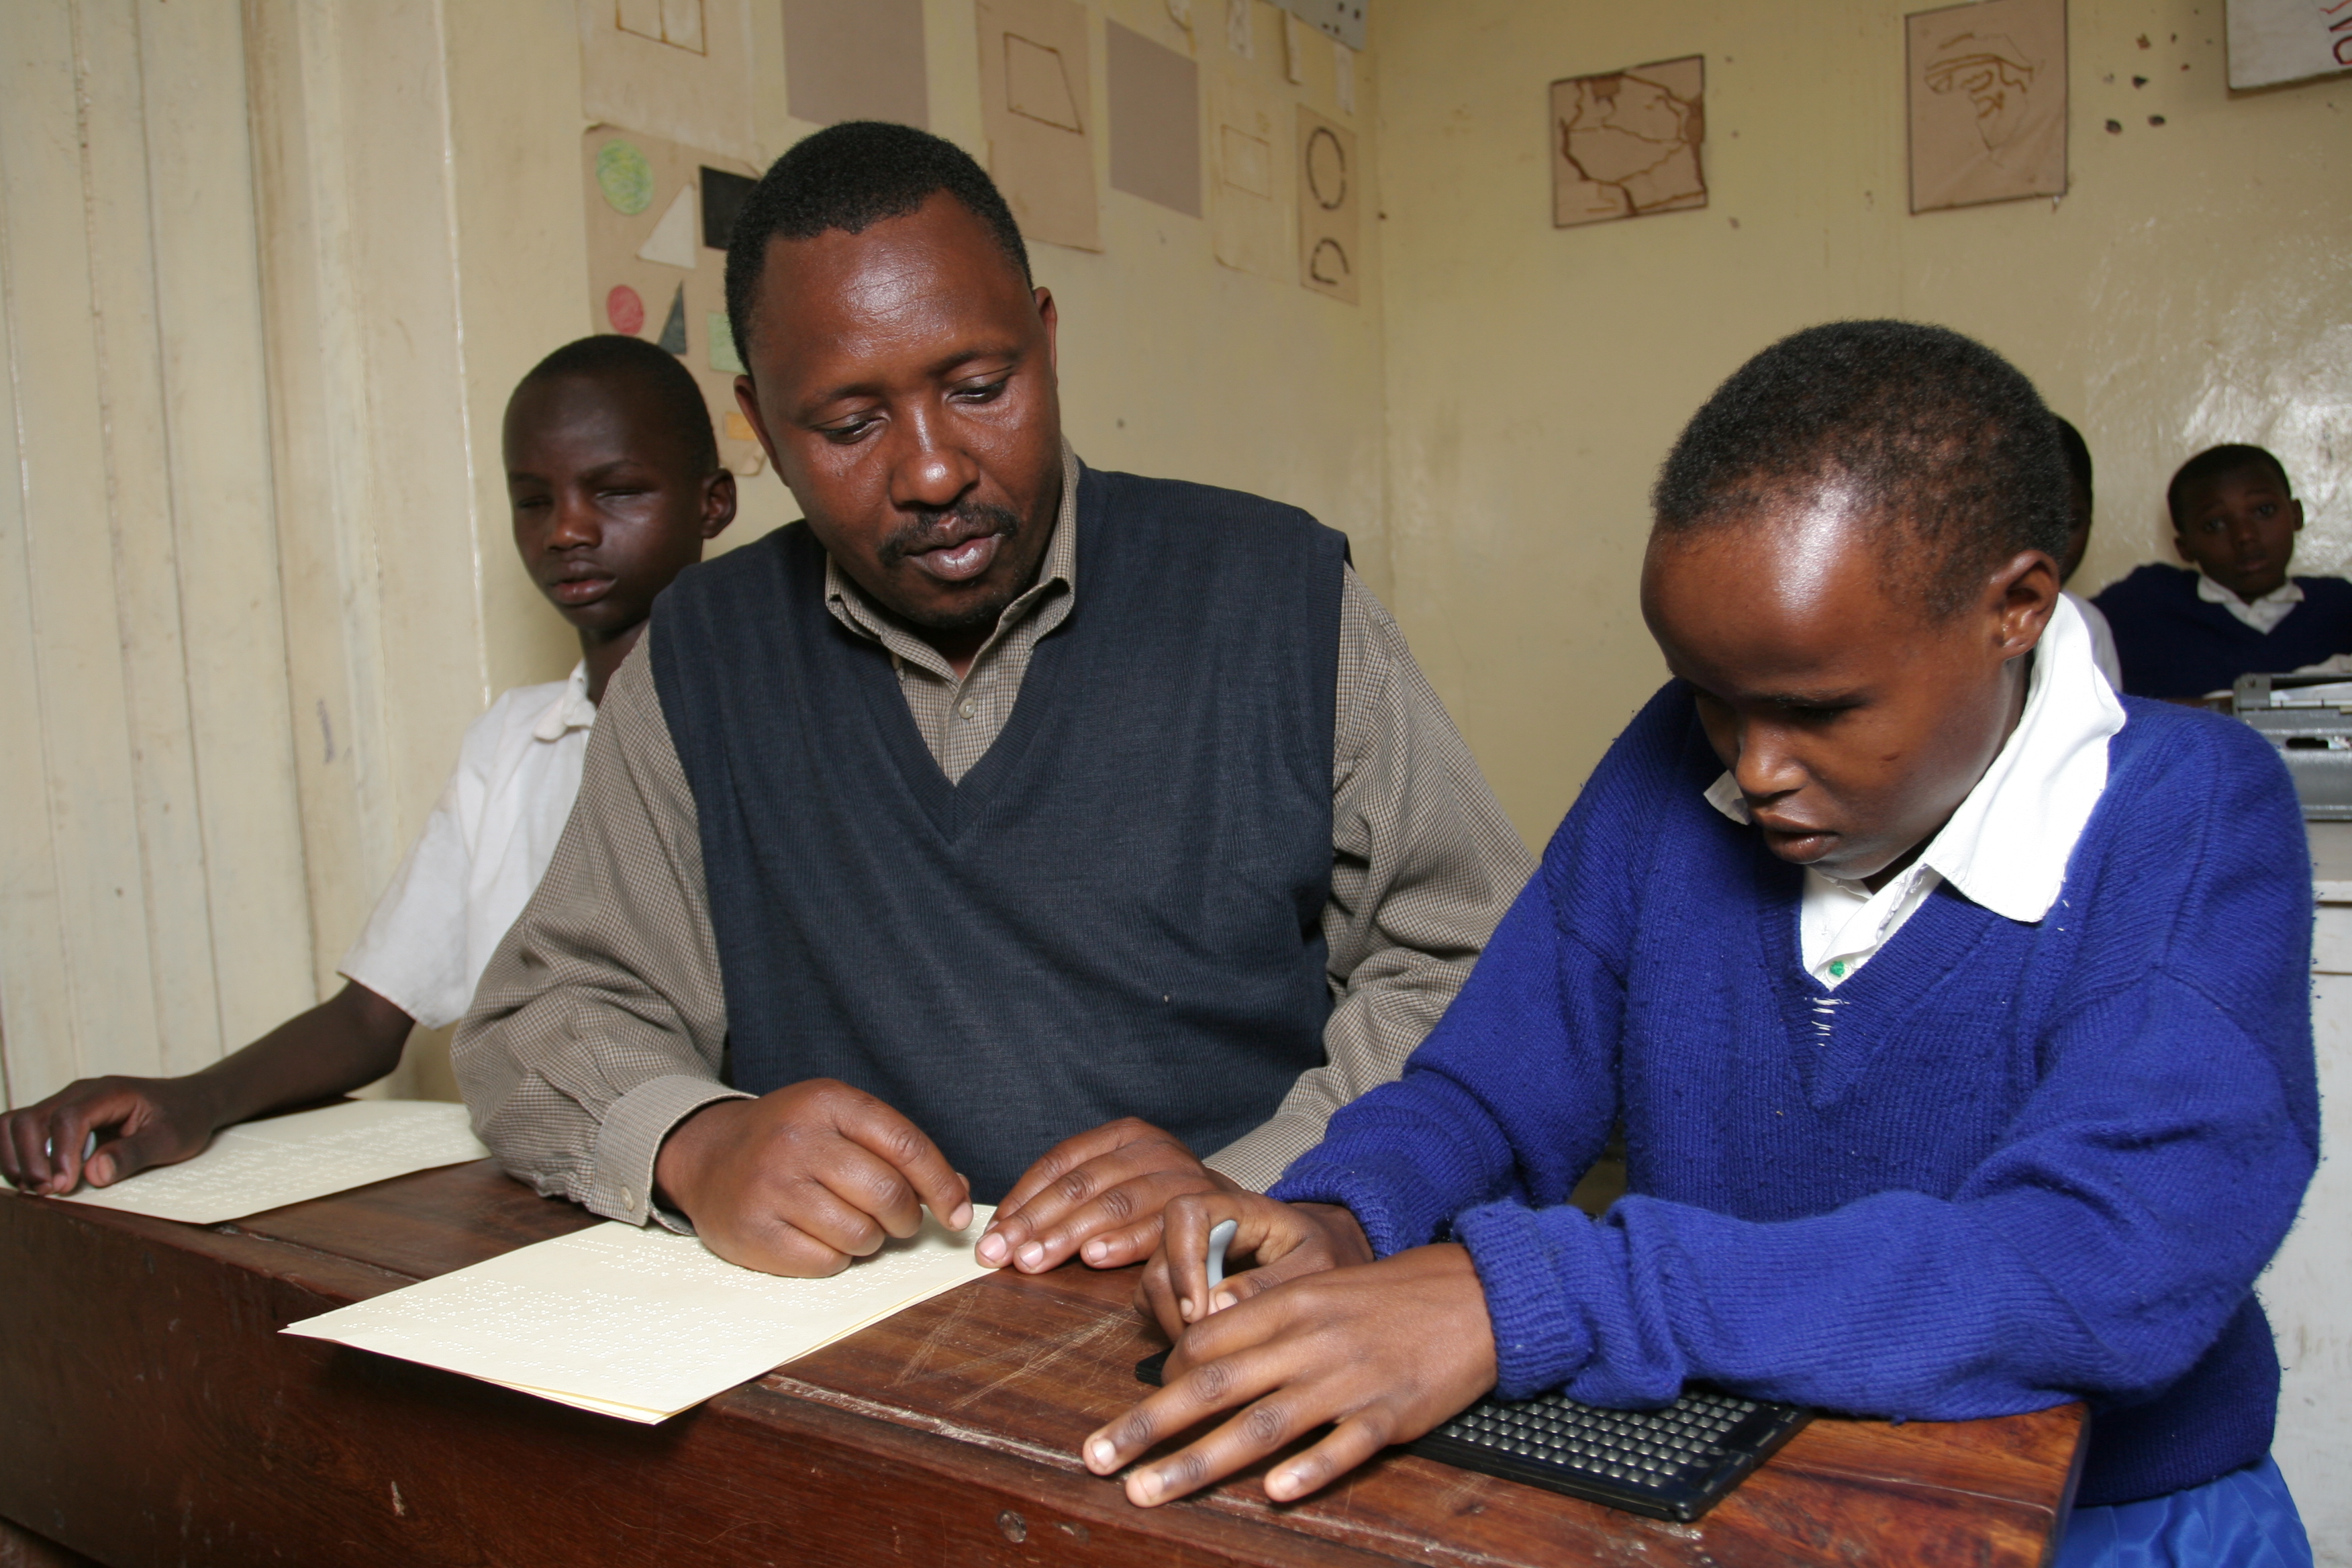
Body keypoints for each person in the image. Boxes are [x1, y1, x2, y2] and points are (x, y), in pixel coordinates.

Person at [1084, 323, 2317, 1567]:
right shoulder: (1679, 760)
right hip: (1743, 1491)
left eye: (1814, 709)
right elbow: (1489, 1089)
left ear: (2013, 608)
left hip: (2106, 1523)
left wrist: (1529, 1297)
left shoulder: (2191, 816)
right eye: (1709, 695)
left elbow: (2092, 1260)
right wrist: (1352, 1214)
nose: (1751, 765)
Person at [452, 121, 1529, 1283]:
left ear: (1046, 340)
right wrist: (693, 1143)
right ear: (758, 426)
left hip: (1231, 1307)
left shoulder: (1279, 599)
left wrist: (1260, 1184)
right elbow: (546, 1013)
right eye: (850, 424)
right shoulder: (700, 658)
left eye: (977, 386)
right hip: (838, 1347)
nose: (930, 469)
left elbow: (1485, 969)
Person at [0, 336, 736, 1197]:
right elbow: (370, 1015)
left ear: (713, 503)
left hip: (712, 1180)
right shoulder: (511, 741)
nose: (567, 528)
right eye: (532, 500)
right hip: (543, 1179)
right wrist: (191, 1099)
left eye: (615, 491)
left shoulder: (763, 724)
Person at [2093, 444, 2352, 700]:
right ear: (2185, 547)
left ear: (2296, 515)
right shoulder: (2142, 606)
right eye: (2214, 525)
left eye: (2264, 511)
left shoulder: (2338, 607)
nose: (2245, 535)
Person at [2052, 416, 2122, 689]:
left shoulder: (2087, 623)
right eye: (2026, 522)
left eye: (2070, 523)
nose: (2051, 544)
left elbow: (2110, 730)